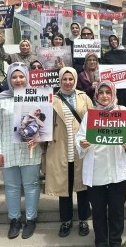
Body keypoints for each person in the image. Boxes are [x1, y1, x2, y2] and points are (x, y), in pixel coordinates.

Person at [75, 81, 126, 247]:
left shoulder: (122, 112)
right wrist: (81, 143)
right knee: (98, 212)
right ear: (96, 95)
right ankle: (101, 242)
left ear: (113, 95)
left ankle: (115, 242)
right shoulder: (90, 116)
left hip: (117, 173)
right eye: (101, 92)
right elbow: (79, 136)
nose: (104, 96)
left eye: (108, 92)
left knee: (117, 211)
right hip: (96, 172)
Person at [0, 62, 42, 240]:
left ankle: (31, 219)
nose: (18, 80)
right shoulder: (1, 100)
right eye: (14, 77)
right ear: (9, 79)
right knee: (12, 187)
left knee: (31, 185)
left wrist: (39, 139)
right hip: (7, 149)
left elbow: (44, 123)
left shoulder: (36, 96)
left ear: (27, 77)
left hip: (31, 149)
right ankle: (14, 220)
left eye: (21, 76)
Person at [44, 67, 93, 238]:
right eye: (64, 79)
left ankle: (83, 220)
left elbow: (93, 121)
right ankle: (66, 221)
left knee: (82, 188)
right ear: (60, 80)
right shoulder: (51, 98)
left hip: (81, 149)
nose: (67, 82)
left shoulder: (84, 97)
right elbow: (44, 124)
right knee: (63, 188)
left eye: (70, 79)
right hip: (60, 149)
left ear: (75, 80)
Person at [102, 34, 126, 110]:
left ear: (118, 40)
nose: (113, 42)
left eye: (114, 39)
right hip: (113, 87)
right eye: (111, 40)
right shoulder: (107, 55)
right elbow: (104, 69)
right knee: (115, 108)